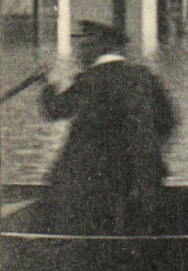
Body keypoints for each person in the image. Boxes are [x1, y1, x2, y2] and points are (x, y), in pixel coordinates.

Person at [38, 21, 177, 233]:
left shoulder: (90, 80)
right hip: (143, 180)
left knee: (60, 192)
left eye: (84, 46)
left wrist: (50, 84)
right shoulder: (144, 76)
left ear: (100, 47)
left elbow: (54, 110)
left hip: (93, 183)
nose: (79, 53)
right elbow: (168, 121)